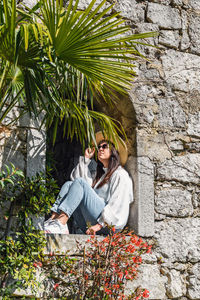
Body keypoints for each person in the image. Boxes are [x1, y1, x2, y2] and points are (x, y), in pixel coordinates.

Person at [44, 131, 134, 235]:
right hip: (90, 222)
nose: (100, 149)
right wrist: (86, 159)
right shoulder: (100, 175)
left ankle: (61, 222)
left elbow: (119, 204)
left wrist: (99, 225)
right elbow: (76, 182)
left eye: (104, 146)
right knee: (69, 184)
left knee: (79, 183)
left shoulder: (120, 175)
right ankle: (55, 220)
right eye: (99, 147)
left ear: (114, 151)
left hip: (109, 226)